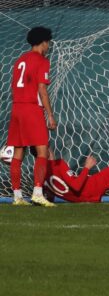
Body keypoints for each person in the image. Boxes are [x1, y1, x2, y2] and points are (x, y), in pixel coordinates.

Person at [6, 26, 57, 207]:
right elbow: (42, 89)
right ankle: (37, 193)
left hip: (17, 108)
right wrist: (50, 115)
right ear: (43, 42)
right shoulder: (42, 61)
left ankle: (17, 196)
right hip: (31, 109)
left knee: (18, 152)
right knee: (42, 150)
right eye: (48, 42)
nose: (48, 46)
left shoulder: (20, 59)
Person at [39, 147, 109, 203]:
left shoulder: (40, 171)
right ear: (46, 151)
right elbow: (76, 186)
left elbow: (49, 196)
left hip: (81, 199)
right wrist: (87, 168)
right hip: (91, 186)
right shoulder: (58, 164)